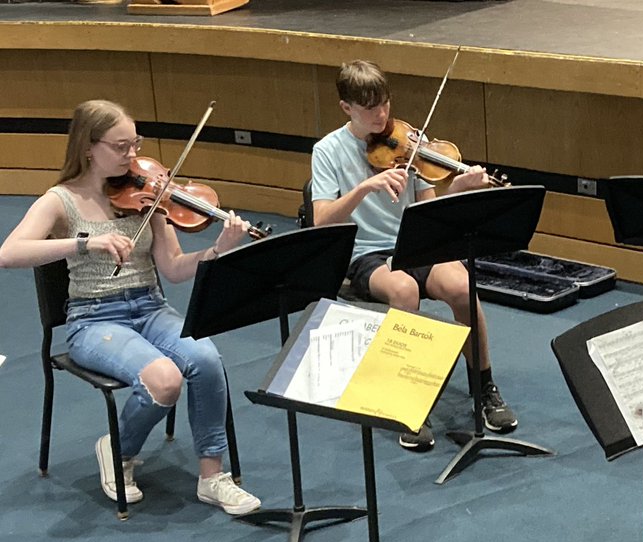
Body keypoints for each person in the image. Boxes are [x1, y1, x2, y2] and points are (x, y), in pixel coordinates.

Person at [0, 99, 260, 516]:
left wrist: (216, 249)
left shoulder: (147, 193)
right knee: (165, 380)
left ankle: (213, 476)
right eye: (121, 147)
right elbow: (8, 252)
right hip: (94, 318)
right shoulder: (60, 200)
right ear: (89, 147)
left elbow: (174, 269)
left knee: (206, 358)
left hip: (150, 308)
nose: (133, 156)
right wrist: (85, 242)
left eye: (135, 144)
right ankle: (118, 448)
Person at [310, 59, 517, 451]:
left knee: (461, 286)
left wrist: (462, 187)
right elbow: (321, 220)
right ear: (346, 108)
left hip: (416, 243)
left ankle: (484, 388)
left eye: (385, 104)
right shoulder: (327, 151)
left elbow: (428, 211)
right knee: (403, 289)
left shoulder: (409, 140)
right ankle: (405, 402)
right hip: (365, 253)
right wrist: (366, 187)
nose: (382, 115)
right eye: (370, 109)